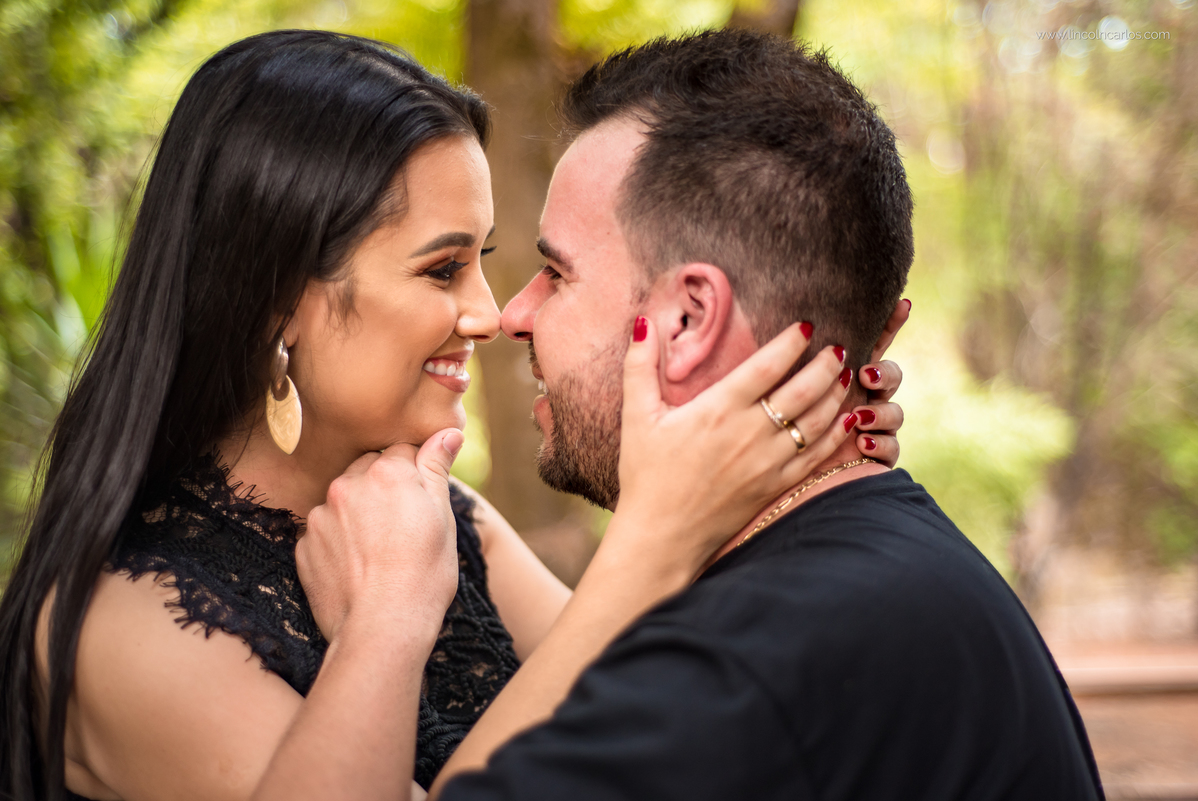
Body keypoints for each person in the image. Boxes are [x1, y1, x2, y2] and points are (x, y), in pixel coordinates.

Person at [0, 30, 907, 801]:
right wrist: (388, 625)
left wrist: (773, 459)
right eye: (443, 269)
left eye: (485, 259)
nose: (491, 312)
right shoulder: (117, 625)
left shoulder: (439, 513)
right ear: (277, 298)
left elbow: (681, 727)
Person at [296, 30, 1105, 801]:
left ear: (687, 320)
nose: (513, 314)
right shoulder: (885, 561)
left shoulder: (742, 663)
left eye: (556, 274)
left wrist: (380, 630)